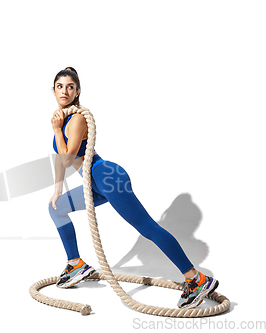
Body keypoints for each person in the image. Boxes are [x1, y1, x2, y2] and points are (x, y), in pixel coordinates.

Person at [48, 67, 219, 309]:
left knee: (148, 228)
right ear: (53, 90)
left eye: (70, 87)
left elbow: (67, 158)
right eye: (60, 86)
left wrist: (56, 129)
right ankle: (75, 264)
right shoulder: (61, 117)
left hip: (106, 176)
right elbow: (59, 158)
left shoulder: (75, 119)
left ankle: (195, 278)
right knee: (55, 208)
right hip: (94, 182)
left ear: (77, 92)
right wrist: (57, 190)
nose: (65, 90)